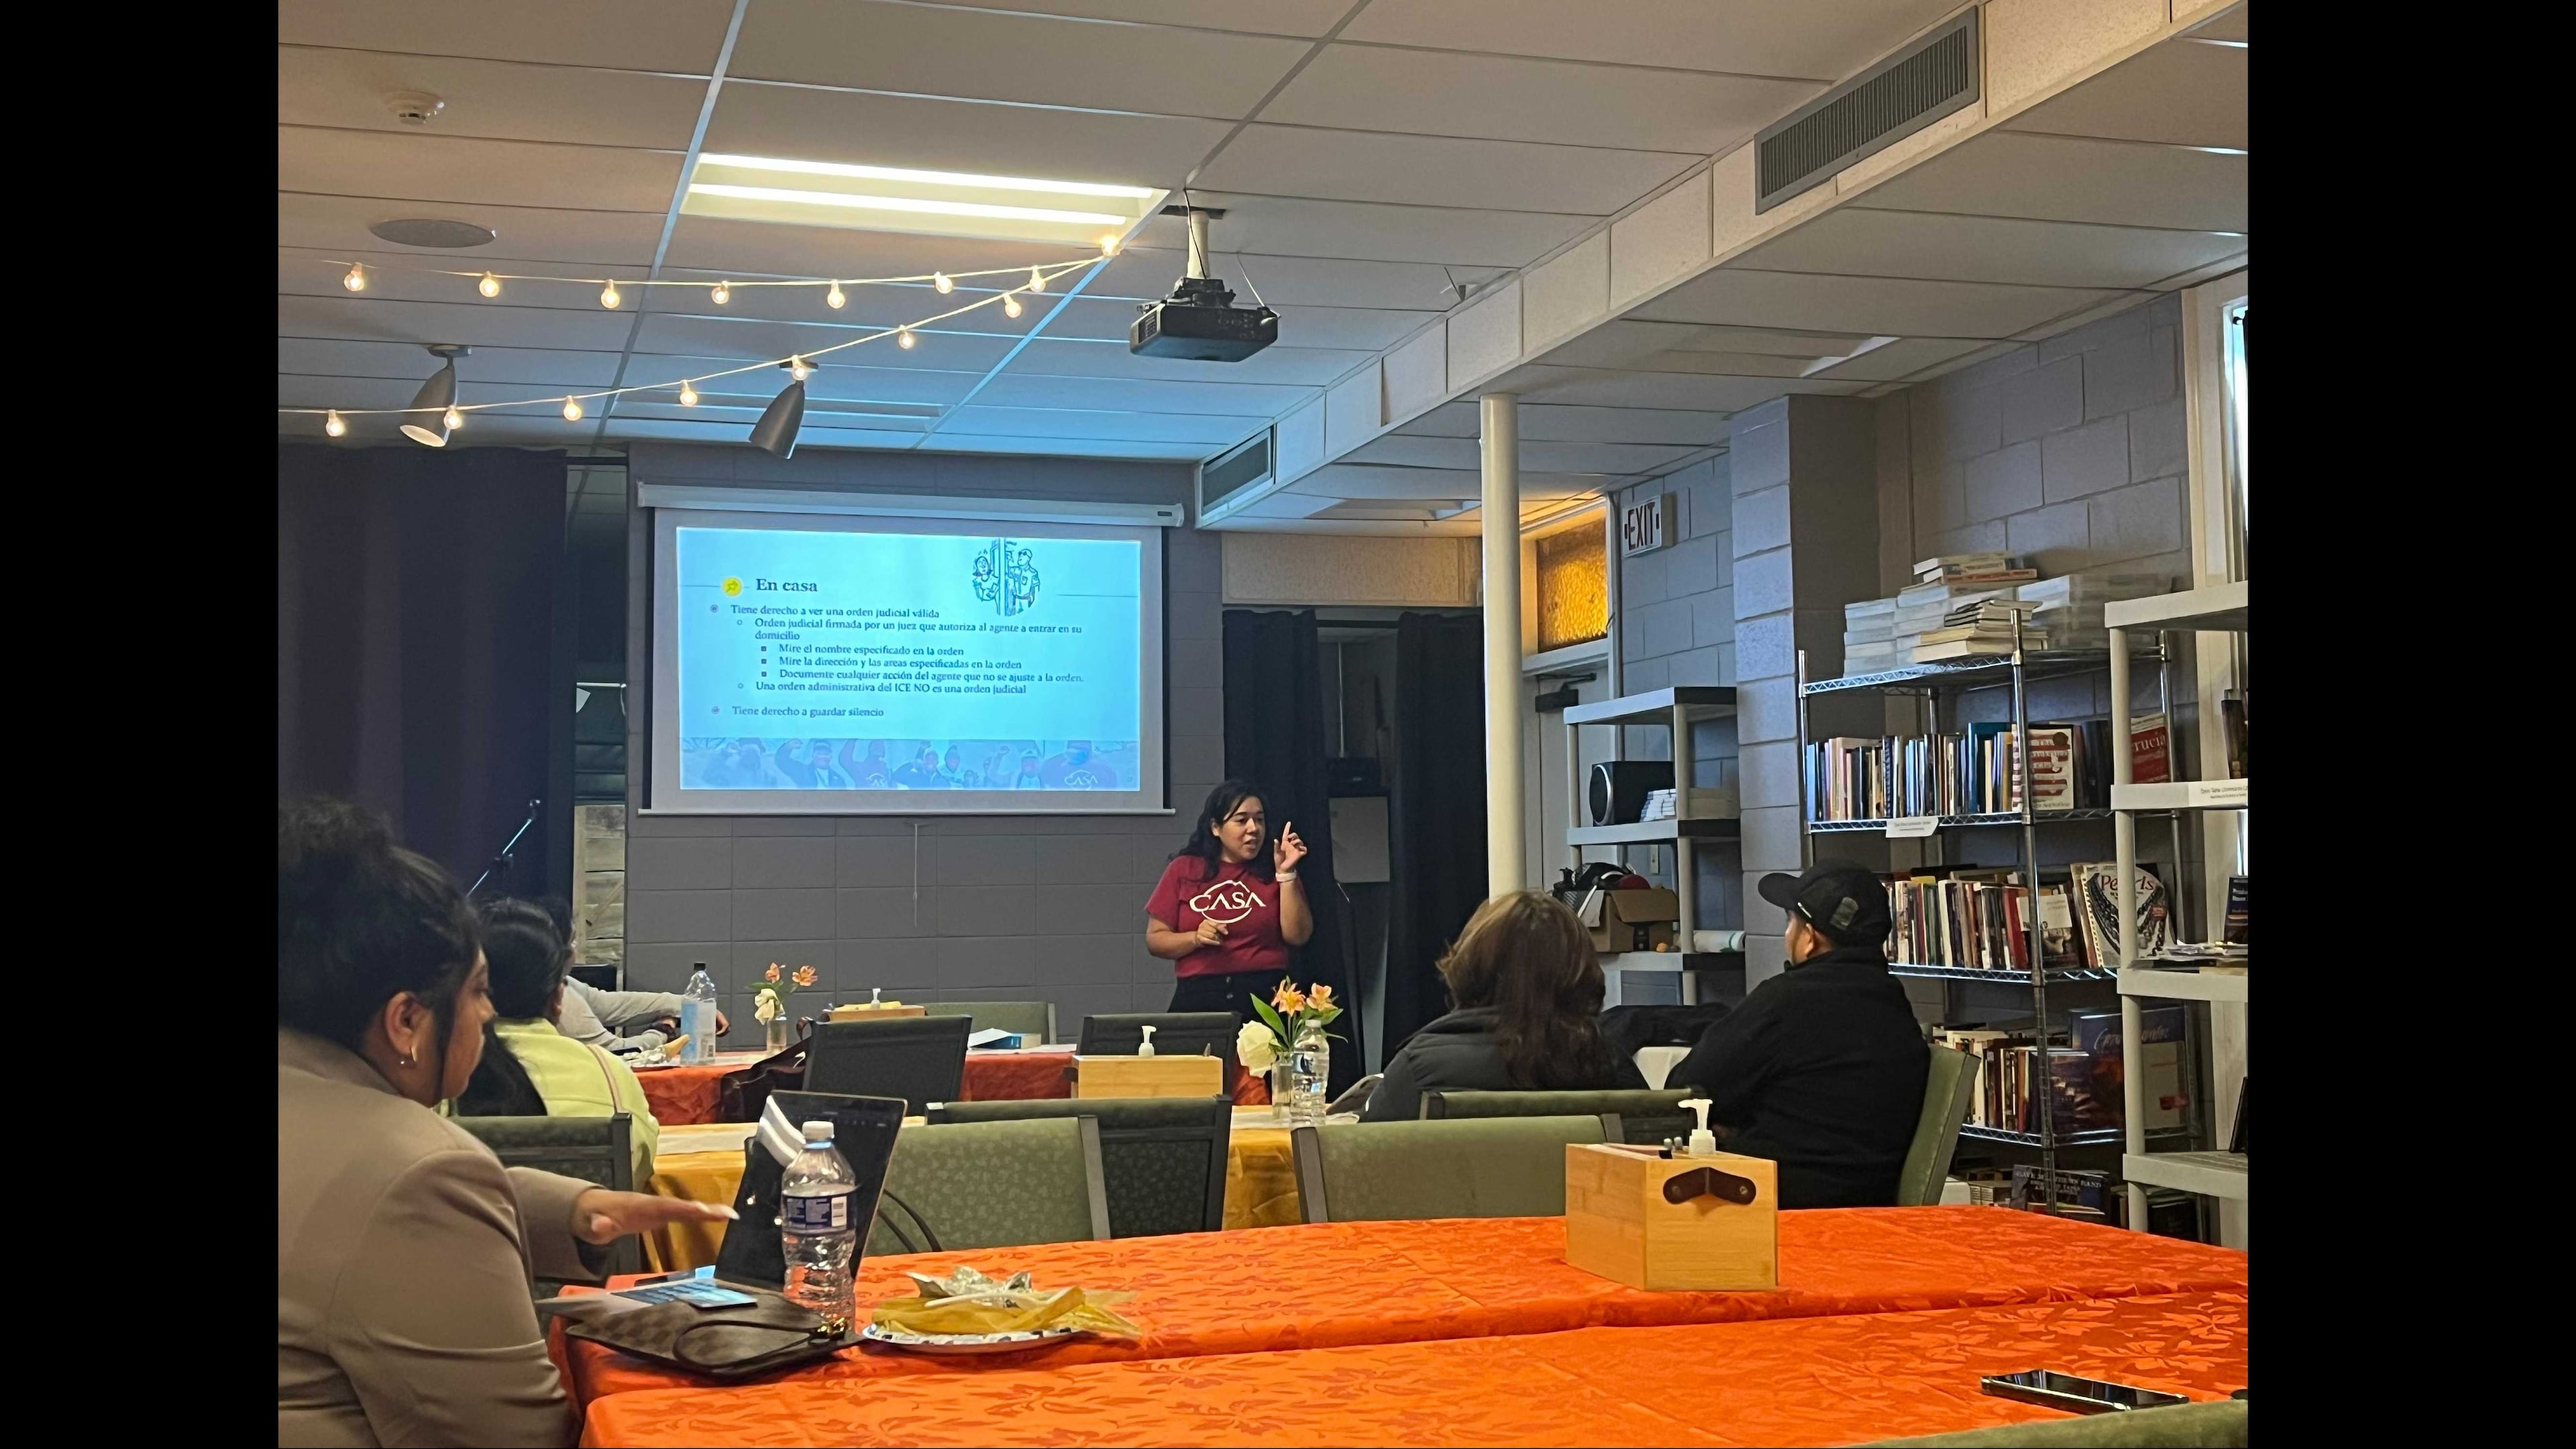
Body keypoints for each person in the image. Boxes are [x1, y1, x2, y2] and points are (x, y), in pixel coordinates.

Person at [280, 798, 728, 1447]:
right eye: (478, 991)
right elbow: (515, 1435)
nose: (489, 1016)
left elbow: (337, 1209)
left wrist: (568, 1207)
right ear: (406, 1021)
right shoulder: (415, 1175)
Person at [1666, 862, 1930, 1209]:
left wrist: (1733, 1127)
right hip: (1869, 1204)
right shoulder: (1896, 1005)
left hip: (1770, 1202)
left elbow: (1688, 1090)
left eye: (1790, 922)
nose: (1787, 934)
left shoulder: (1783, 1001)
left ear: (1809, 938)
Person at [1360, 891, 1646, 1122]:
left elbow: (1358, 1172)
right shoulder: (1608, 1065)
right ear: (1581, 973)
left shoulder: (1418, 1069)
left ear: (1473, 964)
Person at [456, 899, 663, 1183]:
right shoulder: (609, 1073)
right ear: (558, 997)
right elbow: (638, 1167)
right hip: (593, 1227)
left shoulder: (441, 1078)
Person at [1146, 780, 1311, 1016]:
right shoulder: (1184, 869)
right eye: (1242, 820)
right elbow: (1155, 940)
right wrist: (1195, 938)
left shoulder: (1275, 870)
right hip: (1200, 993)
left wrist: (1286, 873)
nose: (1254, 829)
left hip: (1265, 995)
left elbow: (1298, 936)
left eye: (1260, 820)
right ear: (1216, 827)